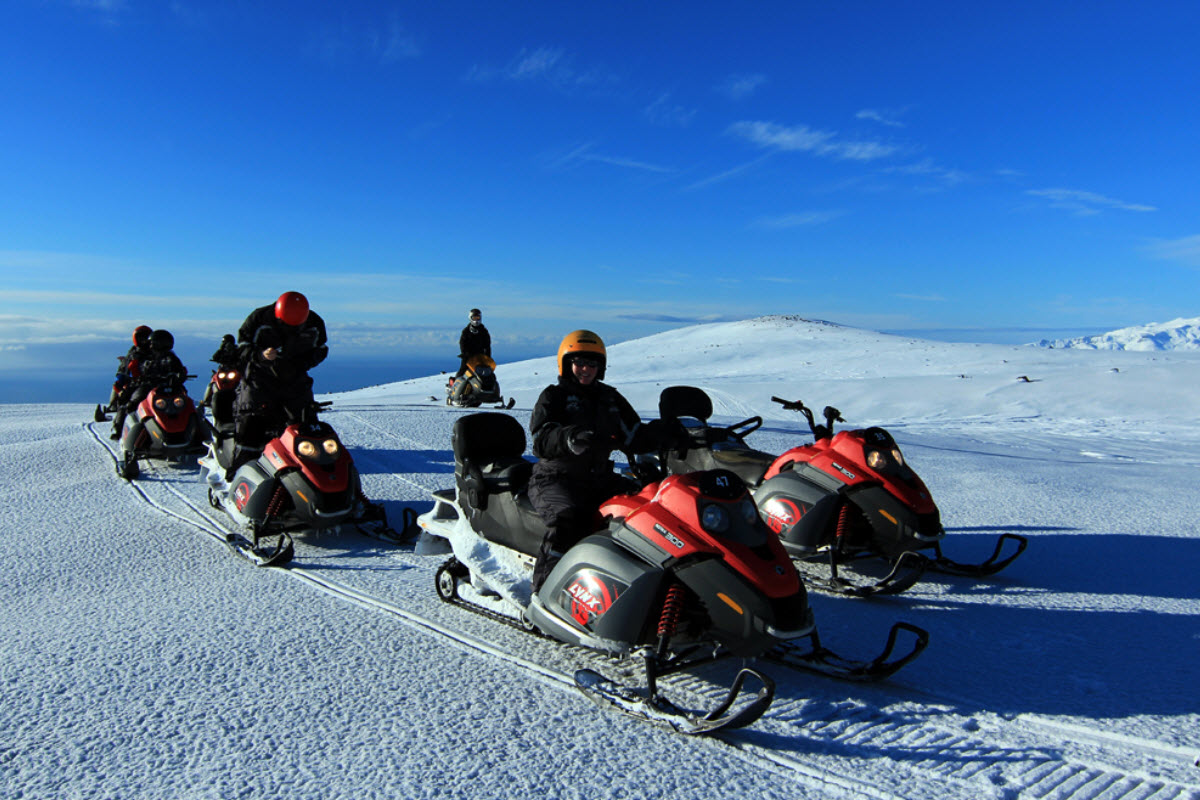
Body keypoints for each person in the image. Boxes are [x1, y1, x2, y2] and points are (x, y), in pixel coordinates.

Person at [527, 329, 672, 591]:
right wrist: (569, 437)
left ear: (600, 367)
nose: (585, 369)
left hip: (599, 478)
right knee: (567, 519)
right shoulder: (554, 396)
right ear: (566, 363)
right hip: (555, 478)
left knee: (647, 507)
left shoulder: (610, 398)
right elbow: (541, 438)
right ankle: (543, 595)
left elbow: (633, 434)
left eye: (592, 364)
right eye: (579, 362)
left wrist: (665, 433)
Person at [230, 291, 328, 470]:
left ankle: (308, 468)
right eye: (286, 324)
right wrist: (261, 355)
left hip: (295, 378)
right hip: (261, 377)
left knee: (304, 423)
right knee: (251, 420)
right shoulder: (259, 318)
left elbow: (321, 349)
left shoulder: (314, 323)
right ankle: (241, 469)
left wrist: (304, 362)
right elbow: (242, 348)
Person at [111, 329, 188, 438]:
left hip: (169, 386)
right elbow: (133, 369)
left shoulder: (171, 357)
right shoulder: (139, 355)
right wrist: (135, 377)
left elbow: (180, 369)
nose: (147, 344)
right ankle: (122, 430)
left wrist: (180, 376)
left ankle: (192, 430)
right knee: (131, 403)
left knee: (185, 401)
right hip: (148, 386)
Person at [453, 308, 491, 383]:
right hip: (468, 356)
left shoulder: (484, 331)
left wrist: (487, 357)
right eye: (474, 318)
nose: (476, 320)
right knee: (463, 371)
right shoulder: (466, 331)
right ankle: (455, 387)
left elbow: (487, 345)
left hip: (480, 356)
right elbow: (462, 343)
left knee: (488, 374)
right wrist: (464, 353)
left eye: (478, 318)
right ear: (470, 318)